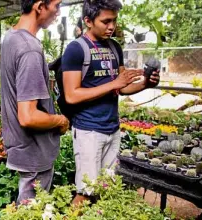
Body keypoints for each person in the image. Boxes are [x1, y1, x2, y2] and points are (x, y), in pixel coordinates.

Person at [61, 0, 160, 205]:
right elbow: (72, 95)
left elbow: (121, 88)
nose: (112, 26)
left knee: (107, 188)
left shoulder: (115, 47)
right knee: (86, 192)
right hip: (89, 131)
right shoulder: (76, 49)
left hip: (112, 129)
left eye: (114, 20)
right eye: (106, 21)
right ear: (88, 21)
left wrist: (145, 84)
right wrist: (114, 83)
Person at [0, 0, 69, 204]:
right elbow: (28, 116)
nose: (58, 12)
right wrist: (60, 120)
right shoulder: (29, 49)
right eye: (56, 5)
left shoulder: (11, 38)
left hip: (23, 151)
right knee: (31, 213)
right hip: (34, 153)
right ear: (40, 6)